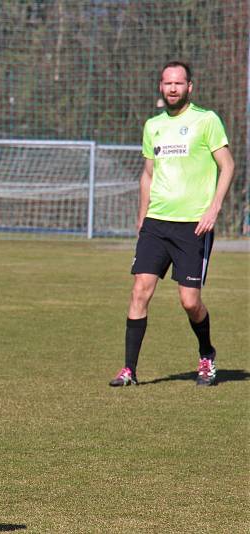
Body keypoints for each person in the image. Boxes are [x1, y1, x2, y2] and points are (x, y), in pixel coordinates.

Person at [109, 61, 234, 387]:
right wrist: (142, 214)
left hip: (194, 225)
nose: (173, 88)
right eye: (168, 83)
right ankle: (129, 371)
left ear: (189, 87)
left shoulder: (206, 121)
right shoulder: (153, 126)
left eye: (179, 83)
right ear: (161, 87)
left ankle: (206, 353)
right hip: (156, 223)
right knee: (139, 292)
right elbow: (148, 174)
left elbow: (228, 165)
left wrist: (214, 208)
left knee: (189, 301)